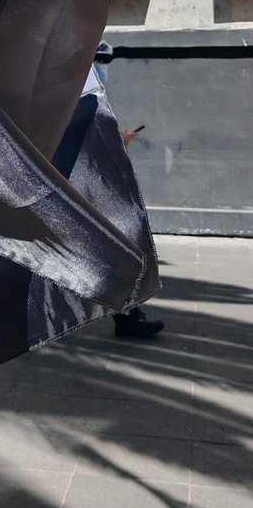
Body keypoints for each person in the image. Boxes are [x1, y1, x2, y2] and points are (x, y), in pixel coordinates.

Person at [94, 40, 164, 340]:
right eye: (99, 60)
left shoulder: (86, 92)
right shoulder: (82, 92)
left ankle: (128, 314)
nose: (103, 67)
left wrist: (116, 136)